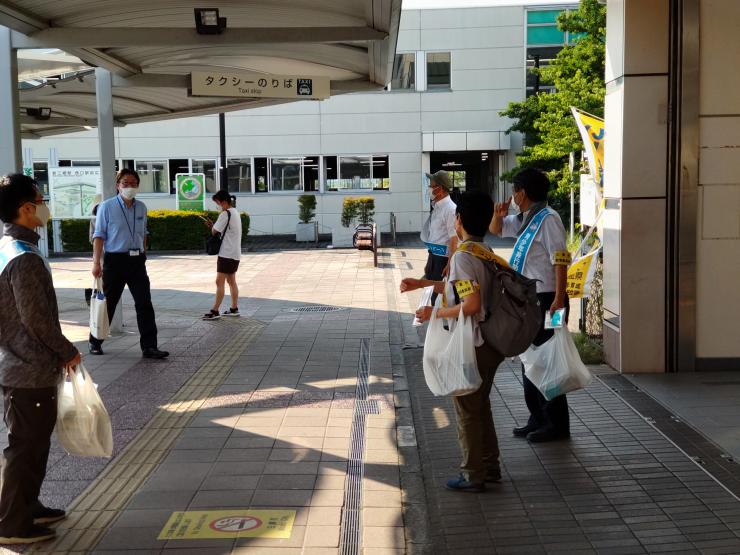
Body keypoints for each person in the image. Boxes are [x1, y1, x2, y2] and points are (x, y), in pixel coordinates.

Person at [401, 191, 504, 493]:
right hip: (491, 343)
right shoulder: (483, 251)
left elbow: (470, 304)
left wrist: (435, 312)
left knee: (467, 410)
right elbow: (461, 286)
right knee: (480, 405)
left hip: (473, 342)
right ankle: (490, 465)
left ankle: (473, 473)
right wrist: (421, 284)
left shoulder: (462, 256)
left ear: (458, 220)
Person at [0, 174, 81, 544]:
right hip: (28, 368)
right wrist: (68, 350)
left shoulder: (8, 247)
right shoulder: (24, 257)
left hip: (19, 363)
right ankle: (13, 524)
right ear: (26, 208)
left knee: (32, 443)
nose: (45, 205)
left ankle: (28, 507)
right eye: (40, 199)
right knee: (26, 447)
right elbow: (37, 320)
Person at [490, 168, 571, 443]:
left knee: (548, 361)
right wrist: (498, 214)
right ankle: (537, 417)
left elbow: (559, 260)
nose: (512, 196)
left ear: (522, 193)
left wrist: (559, 299)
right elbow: (497, 230)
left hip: (548, 299)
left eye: (514, 191)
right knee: (529, 359)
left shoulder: (548, 219)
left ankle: (556, 423)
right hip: (531, 300)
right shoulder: (527, 218)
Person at [88, 169, 168, 359]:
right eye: (125, 183)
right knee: (108, 304)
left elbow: (144, 233)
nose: (129, 186)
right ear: (118, 186)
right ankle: (95, 341)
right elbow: (98, 236)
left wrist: (144, 252)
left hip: (137, 261)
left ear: (138, 186)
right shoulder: (106, 207)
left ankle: (149, 346)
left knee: (144, 303)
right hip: (114, 261)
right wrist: (96, 263)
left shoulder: (141, 207)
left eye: (133, 183)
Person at [202, 191, 242, 320]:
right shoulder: (235, 212)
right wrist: (214, 226)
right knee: (231, 281)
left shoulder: (225, 214)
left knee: (219, 281)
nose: (218, 205)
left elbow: (215, 231)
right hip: (235, 253)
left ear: (223, 201)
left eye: (217, 203)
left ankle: (215, 310)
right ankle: (234, 308)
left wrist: (211, 226)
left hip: (226, 253)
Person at [420, 170, 458, 287]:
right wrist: (429, 262)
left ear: (440, 189)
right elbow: (435, 237)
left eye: (431, 186)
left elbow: (454, 239)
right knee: (431, 294)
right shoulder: (437, 207)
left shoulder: (450, 209)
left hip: (443, 261)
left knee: (439, 299)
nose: (429, 189)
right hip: (434, 257)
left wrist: (450, 264)